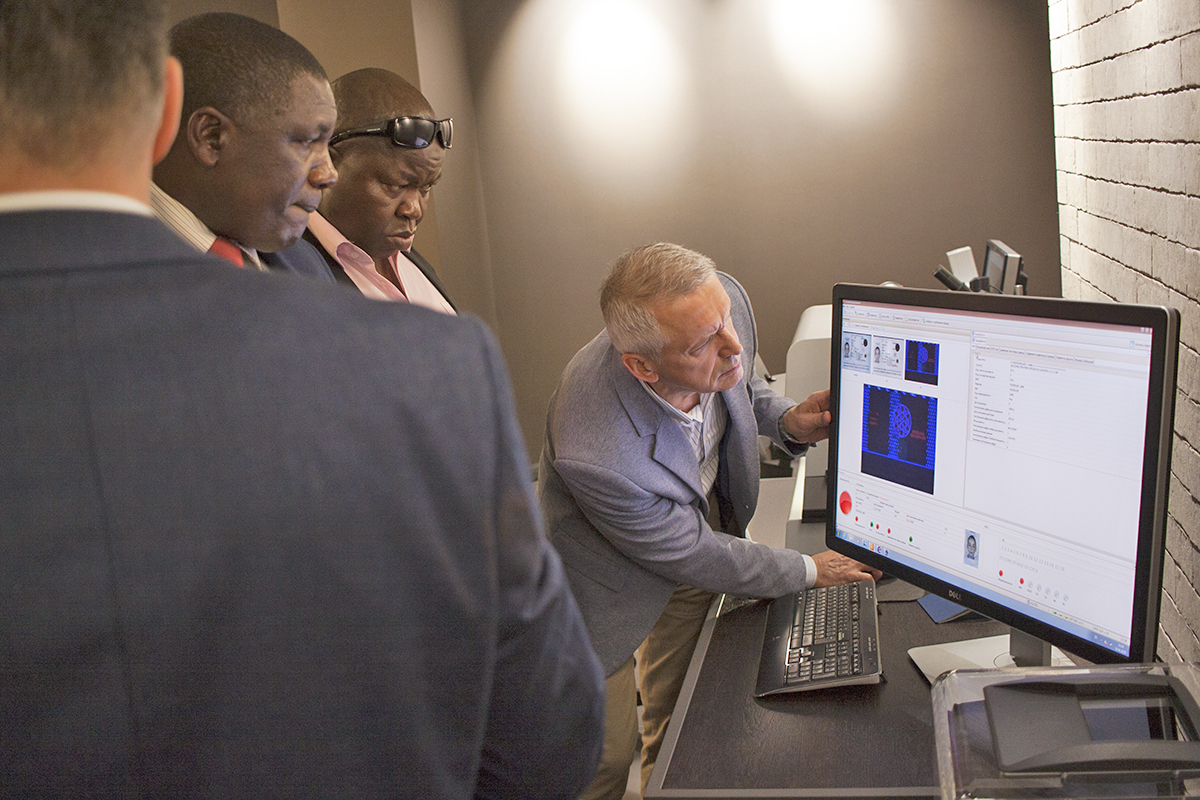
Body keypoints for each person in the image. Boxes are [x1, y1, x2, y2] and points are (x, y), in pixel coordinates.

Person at [0, 2, 604, 796]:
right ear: (171, 111)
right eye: (308, 142)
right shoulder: (428, 367)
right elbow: (544, 725)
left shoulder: (367, 321)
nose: (323, 172)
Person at [539, 242, 880, 799]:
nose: (733, 344)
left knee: (681, 720)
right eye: (704, 343)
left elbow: (741, 384)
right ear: (643, 366)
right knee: (604, 757)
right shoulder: (596, 447)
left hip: (695, 531)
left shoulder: (721, 308)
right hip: (602, 584)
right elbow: (691, 551)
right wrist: (810, 570)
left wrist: (787, 421)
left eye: (726, 322)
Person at [150, 12, 337, 281]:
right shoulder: (102, 268)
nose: (329, 175)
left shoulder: (308, 265)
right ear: (211, 137)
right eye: (307, 142)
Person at [304, 67, 456, 311]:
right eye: (396, 186)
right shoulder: (285, 272)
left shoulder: (411, 261)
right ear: (328, 163)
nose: (414, 210)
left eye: (426, 187)